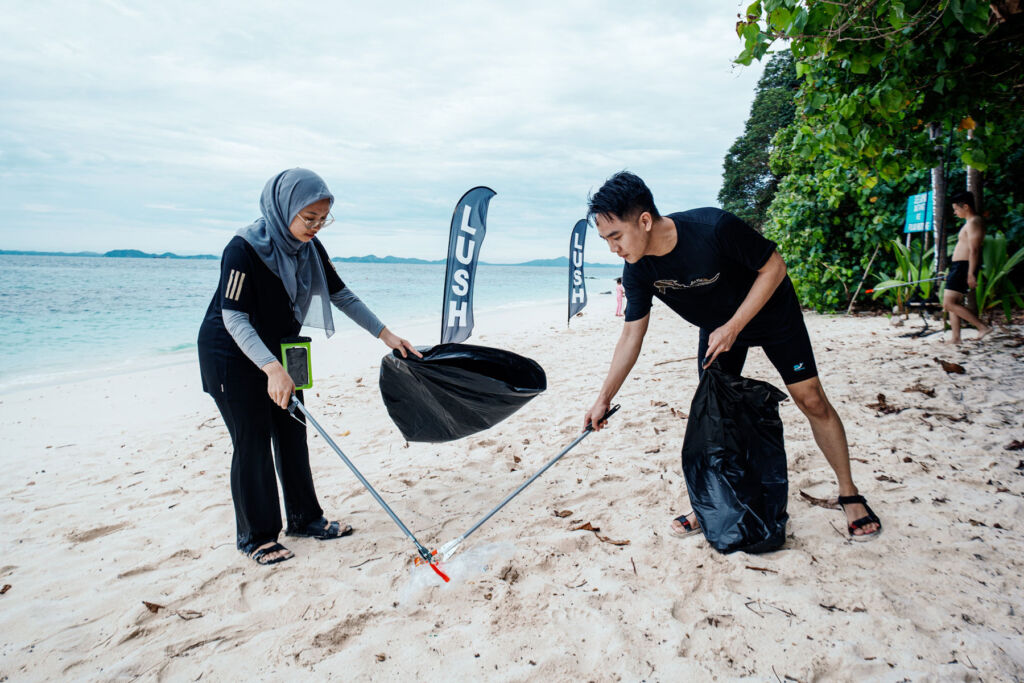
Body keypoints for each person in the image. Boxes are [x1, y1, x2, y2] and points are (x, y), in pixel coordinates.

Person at [582, 171, 881, 541]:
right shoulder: (637, 269)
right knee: (715, 416)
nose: (614, 248)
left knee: (812, 400)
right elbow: (631, 334)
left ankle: (850, 493)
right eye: (605, 240)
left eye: (616, 236)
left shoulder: (712, 227)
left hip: (772, 316)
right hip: (720, 330)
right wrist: (603, 398)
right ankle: (710, 501)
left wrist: (735, 325)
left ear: (644, 221)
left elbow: (774, 267)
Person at [198, 168, 421, 566]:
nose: (317, 227)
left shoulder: (310, 249)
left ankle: (305, 519)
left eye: (323, 219)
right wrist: (270, 368)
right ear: (284, 208)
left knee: (292, 432)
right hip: (233, 354)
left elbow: (342, 294)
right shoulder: (243, 248)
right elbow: (233, 317)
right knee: (252, 442)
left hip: (283, 352)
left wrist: (386, 335)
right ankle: (257, 537)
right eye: (309, 218)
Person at [942, 191, 991, 344]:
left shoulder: (974, 222)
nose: (955, 212)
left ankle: (982, 327)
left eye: (956, 209)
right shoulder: (970, 222)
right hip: (958, 266)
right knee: (953, 303)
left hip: (964, 266)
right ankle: (956, 338)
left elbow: (974, 249)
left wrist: (971, 273)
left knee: (948, 303)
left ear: (966, 206)